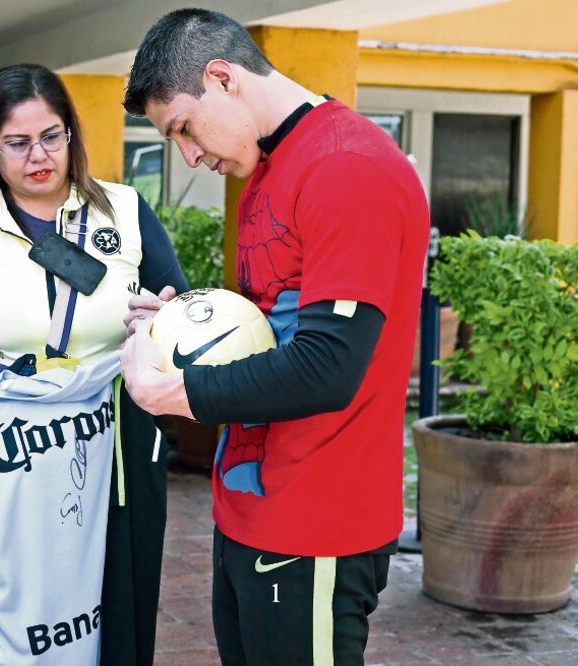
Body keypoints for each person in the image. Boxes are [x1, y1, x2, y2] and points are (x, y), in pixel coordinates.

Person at [119, 9, 429, 666]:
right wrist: (182, 328)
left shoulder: (346, 168)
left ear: (222, 78)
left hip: (318, 523)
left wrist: (172, 390)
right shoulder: (268, 167)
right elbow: (275, 320)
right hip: (252, 509)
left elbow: (326, 366)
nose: (189, 156)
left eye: (182, 128)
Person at [0, 64, 186, 666]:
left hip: (113, 441)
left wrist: (162, 319)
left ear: (71, 135)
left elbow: (182, 309)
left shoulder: (126, 212)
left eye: (52, 136)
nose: (39, 156)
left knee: (118, 596)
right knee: (12, 599)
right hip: (11, 449)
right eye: (19, 142)